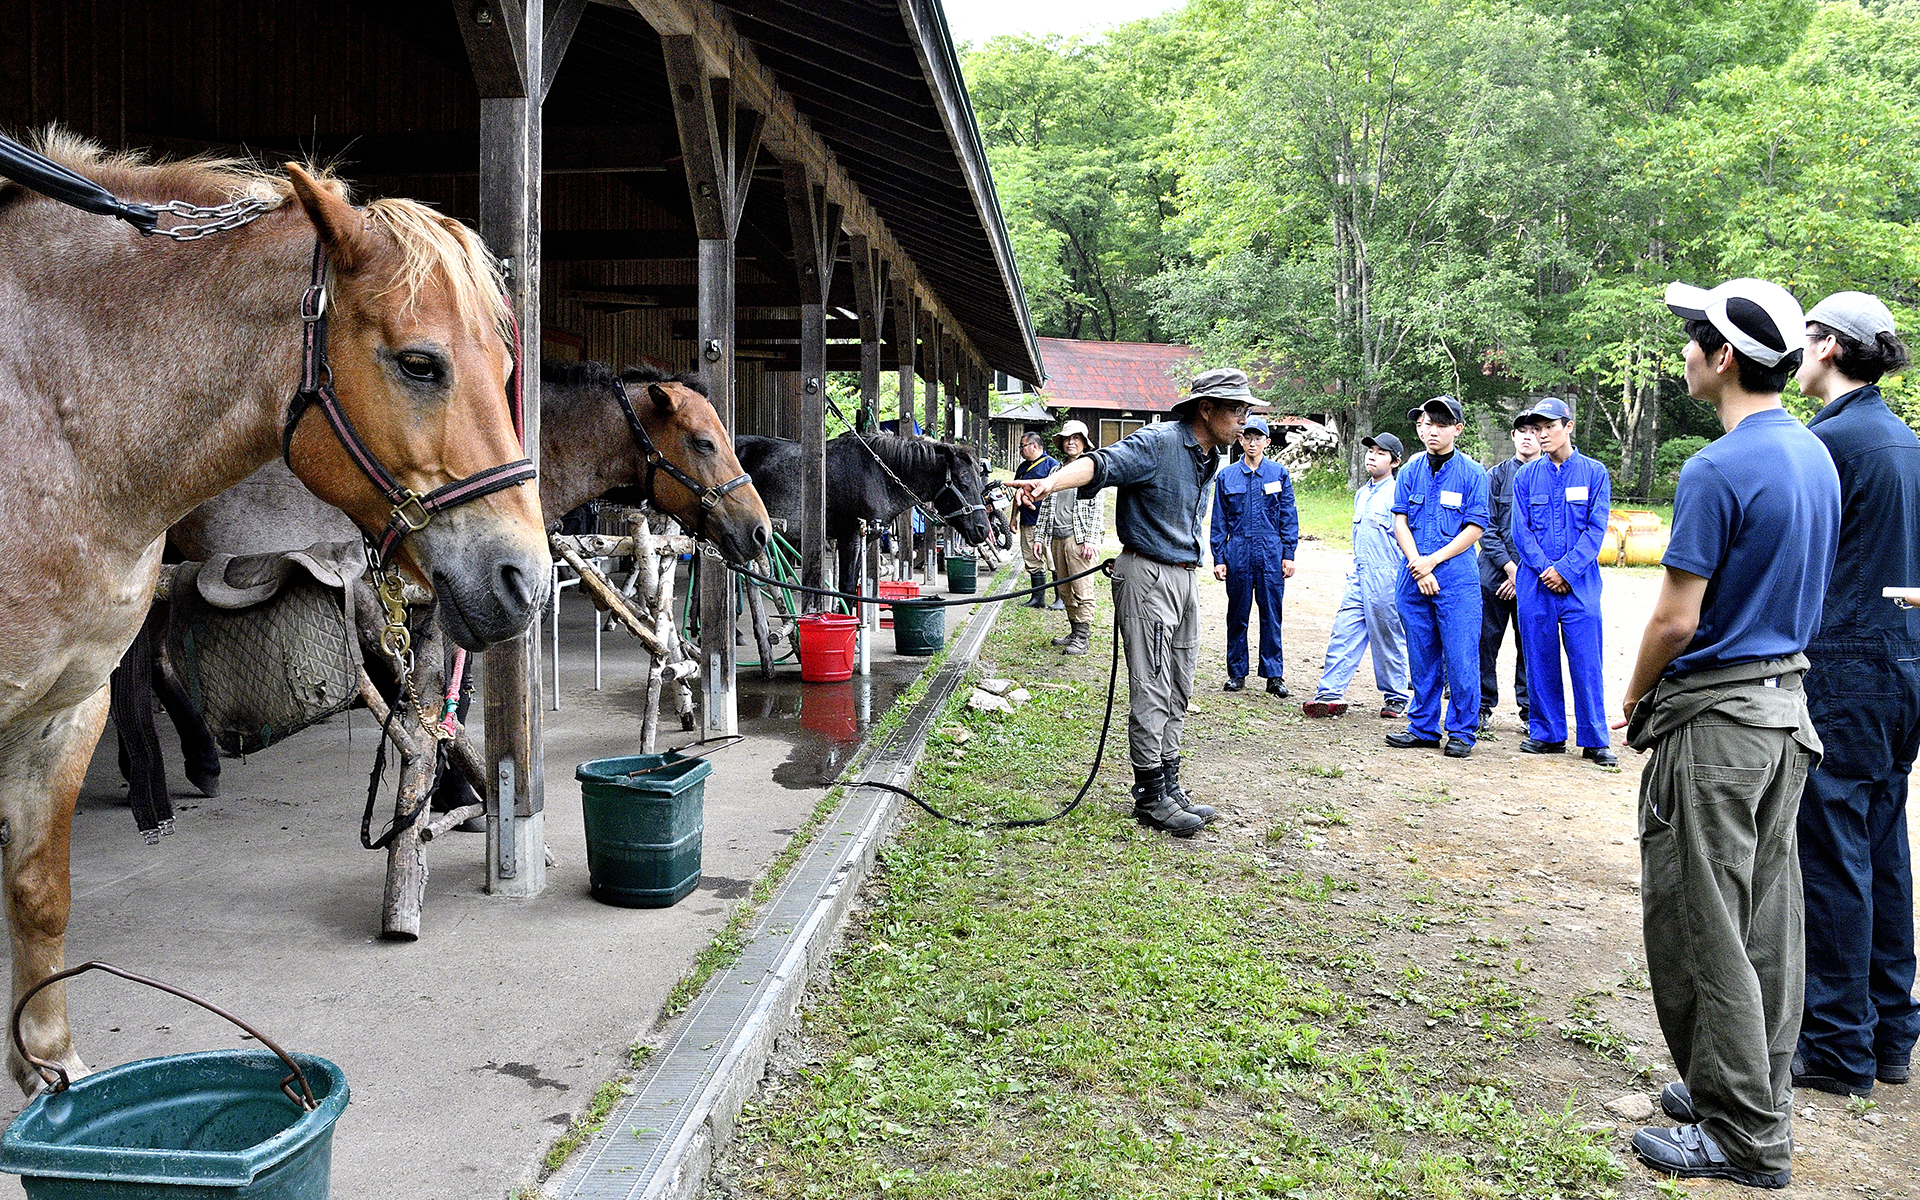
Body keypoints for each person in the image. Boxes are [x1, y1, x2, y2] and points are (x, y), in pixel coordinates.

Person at [1619, 278, 1839, 1188]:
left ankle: (1743, 1135)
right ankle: (1744, 1090)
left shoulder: (1717, 469)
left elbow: (1675, 620)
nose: (1683, 351)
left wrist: (1633, 703)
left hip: (1718, 721)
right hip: (1787, 714)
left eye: (1693, 337)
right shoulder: (1814, 455)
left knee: (1702, 927)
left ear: (1727, 360)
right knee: (1767, 923)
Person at [1008, 368, 1264, 837]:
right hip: (1147, 572)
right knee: (1151, 684)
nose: (1244, 419)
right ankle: (1149, 794)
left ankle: (1169, 781)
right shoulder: (1159, 442)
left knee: (1180, 681)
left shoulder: (1207, 455)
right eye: (1236, 409)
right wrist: (1050, 483)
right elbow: (1101, 464)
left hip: (1185, 575)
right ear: (1206, 410)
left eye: (1247, 410)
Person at [1792, 290, 1920, 1100]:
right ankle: (1892, 1030)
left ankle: (1839, 1045)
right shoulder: (1902, 439)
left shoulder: (1833, 442)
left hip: (1847, 666)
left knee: (1834, 850)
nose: (1798, 357)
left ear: (1829, 345)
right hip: (1903, 663)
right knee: (1882, 841)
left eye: (1806, 339)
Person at [1511, 398, 1616, 767]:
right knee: (1539, 658)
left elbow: (1596, 528)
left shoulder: (1594, 473)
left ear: (1568, 427)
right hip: (1536, 583)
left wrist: (1567, 570)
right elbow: (1519, 531)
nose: (1541, 435)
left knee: (1587, 660)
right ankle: (1548, 733)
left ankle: (1594, 738)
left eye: (1548, 427)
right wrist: (1544, 569)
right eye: (1535, 429)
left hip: (1580, 584)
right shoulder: (1525, 476)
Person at [1386, 396, 1489, 759]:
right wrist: (1417, 564)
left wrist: (1433, 562)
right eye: (1426, 423)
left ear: (1457, 430)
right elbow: (1400, 519)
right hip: (1413, 577)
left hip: (1455, 579)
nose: (1432, 430)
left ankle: (1462, 730)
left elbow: (1475, 527)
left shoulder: (1473, 474)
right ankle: (1423, 727)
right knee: (1422, 654)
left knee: (1461, 657)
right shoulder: (1411, 470)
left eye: (1441, 424)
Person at [1306, 433, 1410, 718]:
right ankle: (1329, 694)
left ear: (1395, 461)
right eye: (1370, 451)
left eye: (1381, 453)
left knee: (1386, 636)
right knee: (1344, 632)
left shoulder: (1398, 494)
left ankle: (1396, 696)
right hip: (1359, 574)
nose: (1372, 456)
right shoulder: (1363, 494)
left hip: (1386, 577)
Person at [1210, 415, 1299, 695]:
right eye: (1247, 437)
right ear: (1240, 439)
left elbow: (1288, 515)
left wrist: (1289, 553)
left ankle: (1274, 675)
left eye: (1258, 438)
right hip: (1238, 551)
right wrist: (1219, 557)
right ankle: (1236, 673)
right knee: (1237, 614)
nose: (1252, 442)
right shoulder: (1227, 476)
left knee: (1271, 614)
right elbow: (1218, 520)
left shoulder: (1278, 474)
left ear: (1267, 442)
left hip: (1271, 552)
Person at [1478, 421, 1539, 734]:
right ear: (1513, 436)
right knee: (1484, 643)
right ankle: (1481, 707)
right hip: (1493, 577)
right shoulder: (1496, 476)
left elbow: (1547, 533)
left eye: (1534, 431)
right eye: (1522, 432)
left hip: (1534, 578)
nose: (1528, 437)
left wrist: (1523, 573)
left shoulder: (1547, 476)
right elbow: (1483, 527)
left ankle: (1531, 713)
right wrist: (1509, 568)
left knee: (1530, 647)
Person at [1041, 420, 1103, 654]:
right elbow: (1046, 505)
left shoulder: (1091, 469)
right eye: (1067, 438)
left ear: (1084, 442)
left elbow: (1097, 507)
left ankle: (1082, 637)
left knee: (1082, 588)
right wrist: (1040, 537)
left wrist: (1091, 539)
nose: (1071, 442)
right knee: (1064, 588)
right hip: (1057, 536)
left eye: (1076, 438)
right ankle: (1074, 630)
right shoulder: (1055, 470)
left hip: (1078, 537)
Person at [1012, 431, 1057, 609]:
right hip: (1027, 520)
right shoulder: (1022, 468)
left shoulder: (1052, 466)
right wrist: (1013, 517)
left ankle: (1060, 598)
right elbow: (1017, 494)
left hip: (1046, 522)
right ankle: (1037, 598)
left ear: (1034, 446)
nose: (1021, 450)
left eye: (1023, 446)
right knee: (1031, 559)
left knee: (1053, 560)